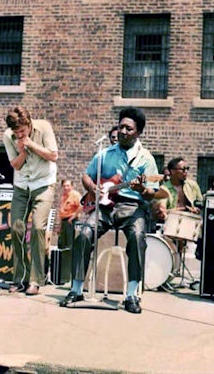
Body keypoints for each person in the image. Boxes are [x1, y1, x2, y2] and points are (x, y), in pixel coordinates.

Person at [60, 107, 159, 314]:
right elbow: (86, 176)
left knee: (138, 237)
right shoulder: (104, 154)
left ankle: (132, 294)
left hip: (132, 206)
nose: (122, 131)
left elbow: (152, 193)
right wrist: (92, 187)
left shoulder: (146, 159)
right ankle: (76, 289)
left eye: (128, 128)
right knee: (84, 233)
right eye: (121, 126)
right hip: (105, 206)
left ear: (138, 132)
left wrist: (142, 188)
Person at [3, 107, 58, 296]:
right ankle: (20, 278)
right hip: (22, 184)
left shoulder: (44, 128)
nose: (19, 134)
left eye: (22, 130)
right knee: (16, 227)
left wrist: (32, 145)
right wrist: (23, 152)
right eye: (16, 132)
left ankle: (35, 280)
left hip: (44, 183)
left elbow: (53, 155)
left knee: (37, 227)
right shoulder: (8, 136)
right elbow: (15, 165)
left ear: (29, 123)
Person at [58, 179, 82, 249]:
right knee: (62, 244)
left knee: (69, 244)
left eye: (68, 186)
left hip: (71, 222)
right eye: (64, 186)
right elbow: (61, 212)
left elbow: (81, 206)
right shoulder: (63, 196)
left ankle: (69, 259)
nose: (66, 188)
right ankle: (63, 260)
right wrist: (60, 226)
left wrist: (73, 216)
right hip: (64, 222)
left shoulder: (75, 195)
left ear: (72, 186)